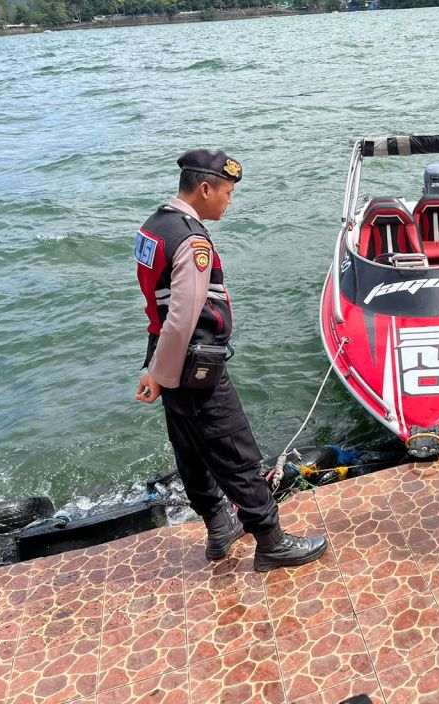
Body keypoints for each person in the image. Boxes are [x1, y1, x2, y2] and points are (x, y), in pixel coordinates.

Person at [134, 149, 327, 572]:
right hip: (192, 364)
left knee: (190, 449)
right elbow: (184, 316)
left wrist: (154, 370)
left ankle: (219, 527)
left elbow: (157, 306)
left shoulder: (153, 227)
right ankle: (271, 540)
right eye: (226, 191)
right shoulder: (191, 240)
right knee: (235, 449)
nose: (229, 201)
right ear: (204, 188)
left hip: (164, 354)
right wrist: (164, 375)